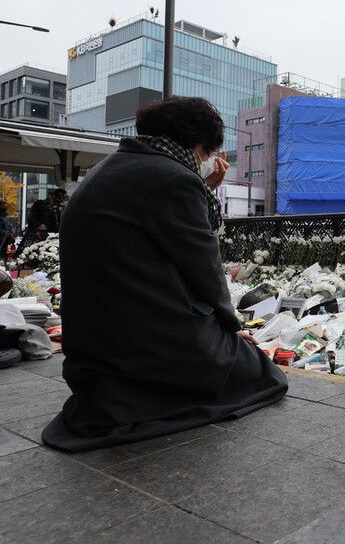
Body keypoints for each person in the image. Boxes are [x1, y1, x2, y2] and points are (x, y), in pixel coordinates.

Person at [43, 97, 288, 452]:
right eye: (208, 154)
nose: (207, 163)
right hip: (143, 347)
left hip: (92, 351)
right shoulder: (174, 178)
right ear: (197, 144)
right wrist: (231, 328)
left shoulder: (108, 169)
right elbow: (203, 268)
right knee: (265, 375)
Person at [13, 188, 66, 257]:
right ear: (52, 197)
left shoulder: (59, 209)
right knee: (29, 253)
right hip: (36, 234)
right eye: (58, 199)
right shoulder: (40, 204)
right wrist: (38, 224)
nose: (59, 202)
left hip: (52, 236)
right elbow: (31, 216)